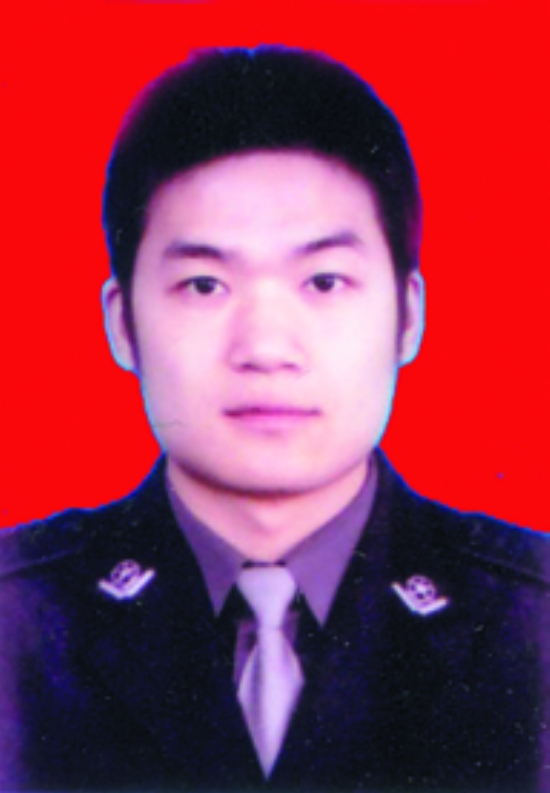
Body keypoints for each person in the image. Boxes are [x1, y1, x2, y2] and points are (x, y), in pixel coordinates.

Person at [0, 45, 548, 793]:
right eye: (204, 285)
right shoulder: (18, 620)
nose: (264, 347)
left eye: (324, 281)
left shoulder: (531, 623)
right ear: (122, 323)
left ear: (409, 315)